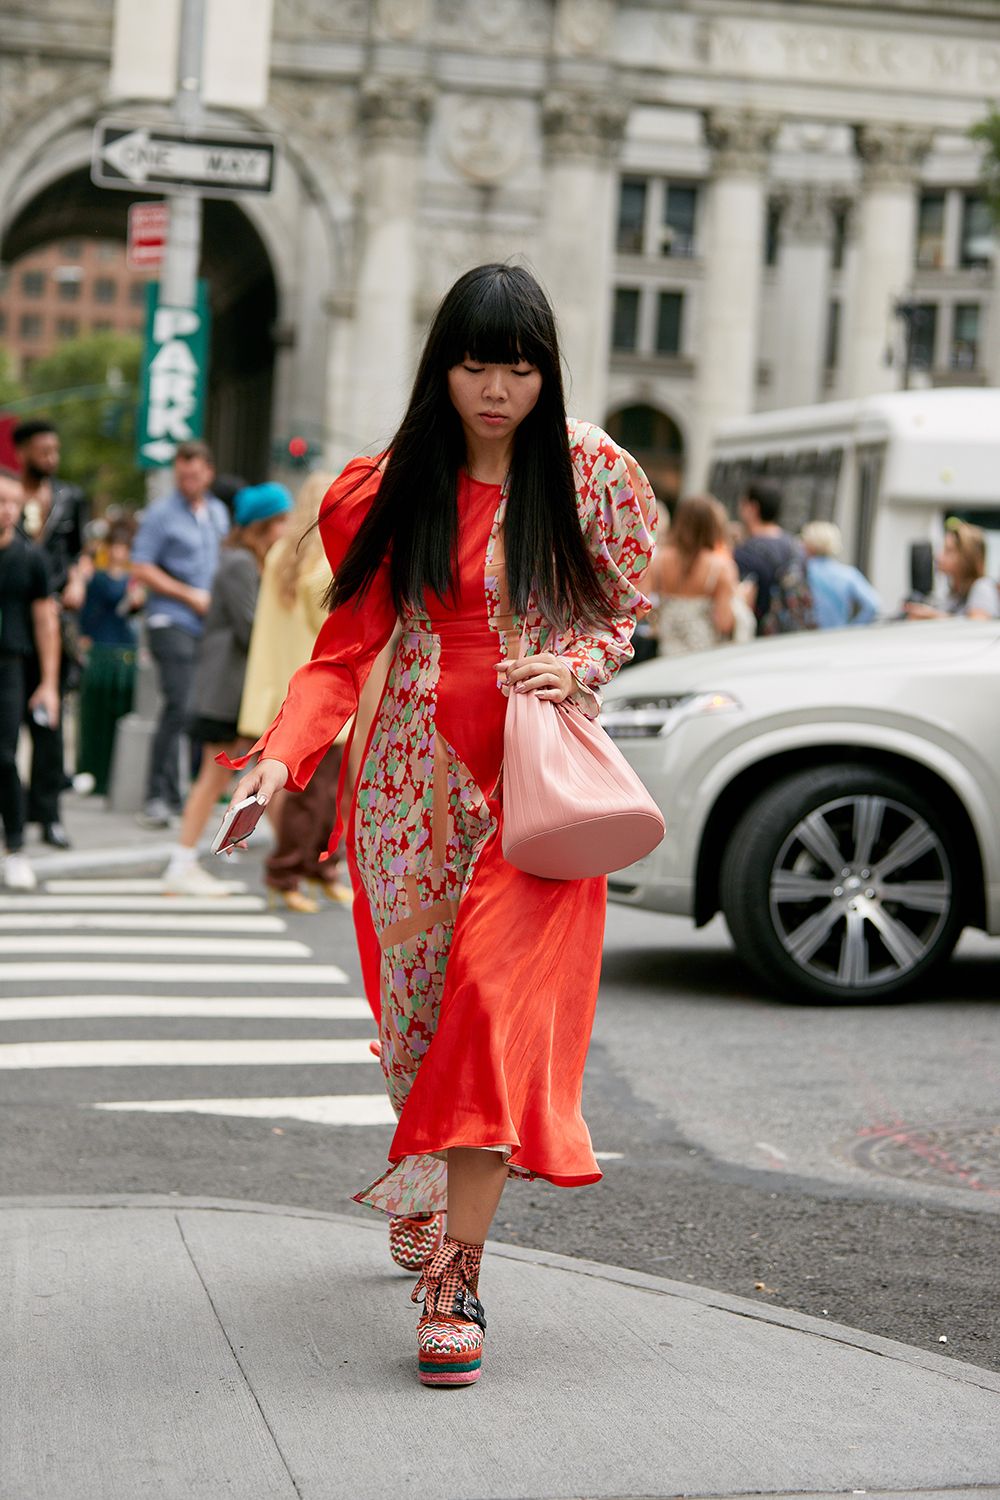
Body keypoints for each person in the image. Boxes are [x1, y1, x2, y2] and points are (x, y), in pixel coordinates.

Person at [225, 263, 656, 1388]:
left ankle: (456, 1276)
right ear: (442, 366)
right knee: (418, 1029)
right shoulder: (384, 488)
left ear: (546, 370)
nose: (499, 388)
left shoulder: (594, 473)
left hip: (538, 795)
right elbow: (343, 654)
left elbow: (621, 612)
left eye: (520, 366)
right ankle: (425, 1180)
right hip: (407, 787)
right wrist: (277, 764)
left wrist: (574, 664)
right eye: (477, 364)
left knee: (489, 1010)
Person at [160, 483, 292, 896]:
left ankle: (293, 860)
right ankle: (182, 861)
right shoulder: (239, 564)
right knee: (214, 778)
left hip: (236, 692)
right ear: (264, 525)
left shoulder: (246, 562)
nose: (287, 529)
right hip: (225, 692)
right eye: (281, 521)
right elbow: (253, 627)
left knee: (261, 776)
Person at [237, 471, 354, 913]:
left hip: (286, 685)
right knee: (318, 793)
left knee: (314, 791)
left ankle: (312, 870)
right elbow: (339, 621)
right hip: (321, 694)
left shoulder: (284, 552)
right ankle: (290, 874)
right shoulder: (325, 560)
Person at [131, 440, 230, 828]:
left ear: (208, 472)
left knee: (199, 709)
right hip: (171, 620)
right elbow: (141, 566)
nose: (188, 479)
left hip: (209, 627)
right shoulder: (160, 515)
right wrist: (188, 594)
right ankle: (157, 795)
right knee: (180, 705)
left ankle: (189, 792)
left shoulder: (219, 513)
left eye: (195, 472)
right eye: (182, 473)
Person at [12, 418, 89, 849]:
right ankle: (15, 813)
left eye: (55, 451)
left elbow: (78, 553)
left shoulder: (69, 497)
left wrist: (77, 580)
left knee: (50, 724)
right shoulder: (7, 495)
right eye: (43, 451)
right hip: (13, 618)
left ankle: (50, 814)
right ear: (22, 452)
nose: (51, 459)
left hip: (55, 621)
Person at [0, 469, 61, 891]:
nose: (7, 511)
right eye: (1, 501)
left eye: (14, 503)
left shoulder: (30, 556)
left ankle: (16, 847)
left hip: (10, 665)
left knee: (5, 757)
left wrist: (49, 684)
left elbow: (46, 622)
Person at [75, 520, 143, 797]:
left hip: (125, 648)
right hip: (101, 648)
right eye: (116, 547)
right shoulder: (100, 578)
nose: (119, 553)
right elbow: (89, 613)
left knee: (120, 714)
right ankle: (92, 772)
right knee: (95, 716)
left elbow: (132, 615)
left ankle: (114, 776)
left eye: (123, 547)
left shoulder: (133, 580)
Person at [648, 494, 738, 656]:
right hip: (702, 653)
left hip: (665, 649)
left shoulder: (660, 560)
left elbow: (641, 605)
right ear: (712, 525)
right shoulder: (721, 567)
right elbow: (724, 623)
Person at [734, 479, 815, 635]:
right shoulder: (796, 546)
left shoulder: (747, 552)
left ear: (753, 508)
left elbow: (741, 603)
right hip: (793, 635)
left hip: (760, 640)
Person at [904, 519, 1000, 621]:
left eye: (948, 551)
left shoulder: (982, 587)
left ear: (967, 558)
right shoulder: (952, 595)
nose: (939, 557)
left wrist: (934, 616)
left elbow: (977, 625)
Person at [800, 521, 882, 629]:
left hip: (803, 639)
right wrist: (853, 629)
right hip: (838, 637)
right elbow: (873, 605)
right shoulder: (848, 574)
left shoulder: (801, 573)